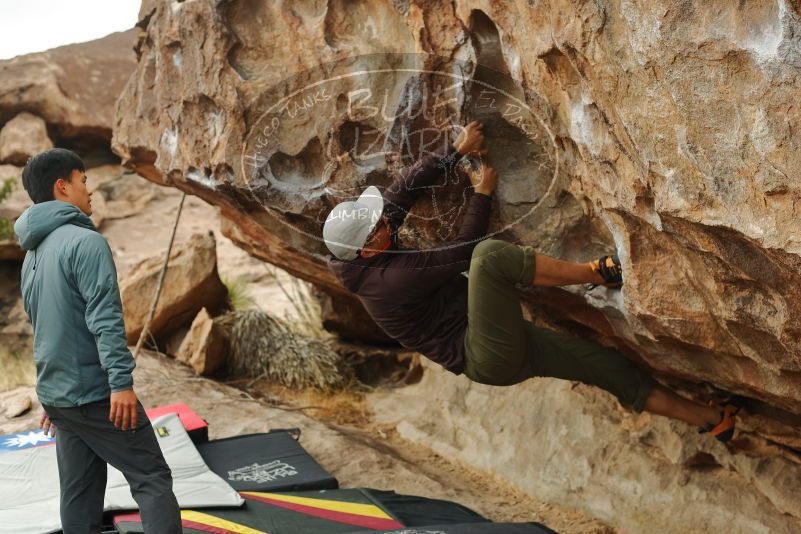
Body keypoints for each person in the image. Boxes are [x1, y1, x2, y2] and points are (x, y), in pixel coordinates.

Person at [324, 121, 738, 442]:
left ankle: (714, 420)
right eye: (377, 224)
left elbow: (403, 189)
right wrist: (482, 192)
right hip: (484, 353)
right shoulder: (388, 281)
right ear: (368, 248)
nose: (385, 220)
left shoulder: (369, 246)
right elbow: (465, 250)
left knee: (608, 367)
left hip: (499, 342)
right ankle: (598, 273)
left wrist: (455, 151)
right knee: (488, 258)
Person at [14, 148, 182, 533]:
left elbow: (42, 327)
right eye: (83, 181)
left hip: (61, 399)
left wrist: (53, 396)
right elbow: (104, 320)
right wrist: (120, 384)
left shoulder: (32, 255)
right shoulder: (86, 243)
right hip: (95, 394)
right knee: (152, 479)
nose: (89, 191)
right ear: (62, 186)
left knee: (80, 493)